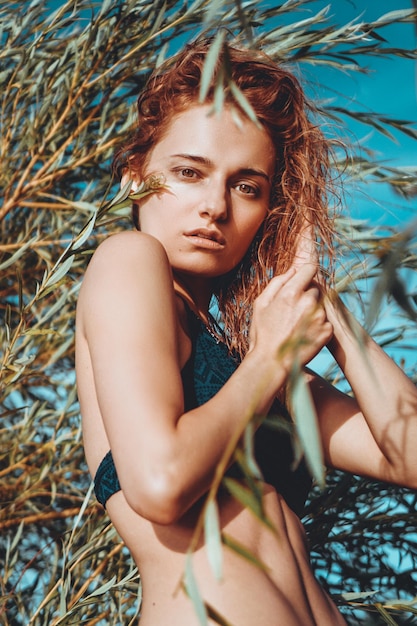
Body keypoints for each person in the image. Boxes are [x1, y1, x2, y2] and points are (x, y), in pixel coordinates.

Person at [75, 37, 417, 626]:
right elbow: (160, 483)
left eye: (247, 186)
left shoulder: (251, 360)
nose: (215, 205)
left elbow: (409, 454)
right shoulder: (127, 260)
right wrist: (270, 360)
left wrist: (320, 304)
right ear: (136, 175)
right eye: (188, 172)